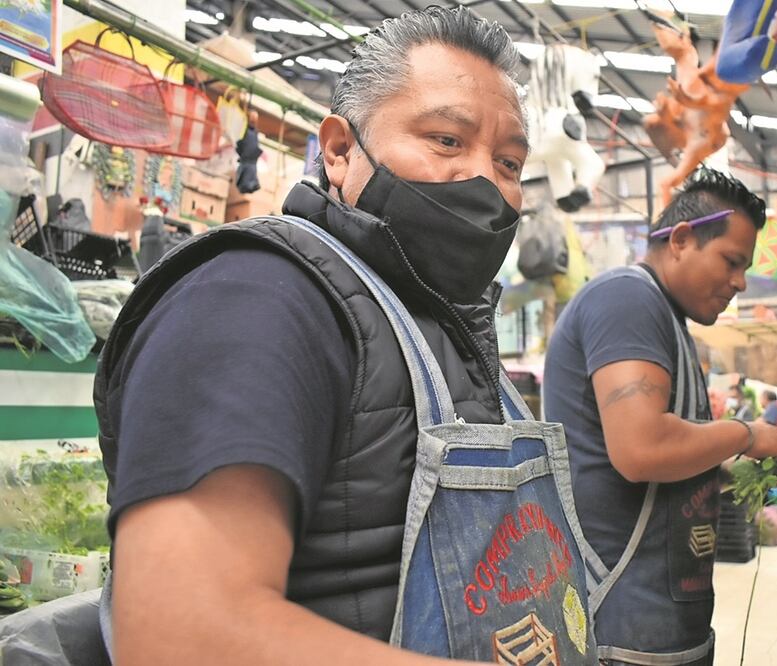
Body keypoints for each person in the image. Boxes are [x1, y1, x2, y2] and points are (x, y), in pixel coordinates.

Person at [92, 8, 596, 665]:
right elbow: (184, 636)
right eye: (446, 140)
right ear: (338, 150)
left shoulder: (442, 320)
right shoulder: (258, 297)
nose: (484, 183)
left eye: (506, 162)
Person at [543, 167, 777, 665]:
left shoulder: (667, 319)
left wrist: (758, 466)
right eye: (731, 261)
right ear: (683, 239)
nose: (741, 283)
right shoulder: (626, 298)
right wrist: (747, 434)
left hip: (663, 626)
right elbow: (643, 450)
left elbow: (674, 467)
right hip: (617, 629)